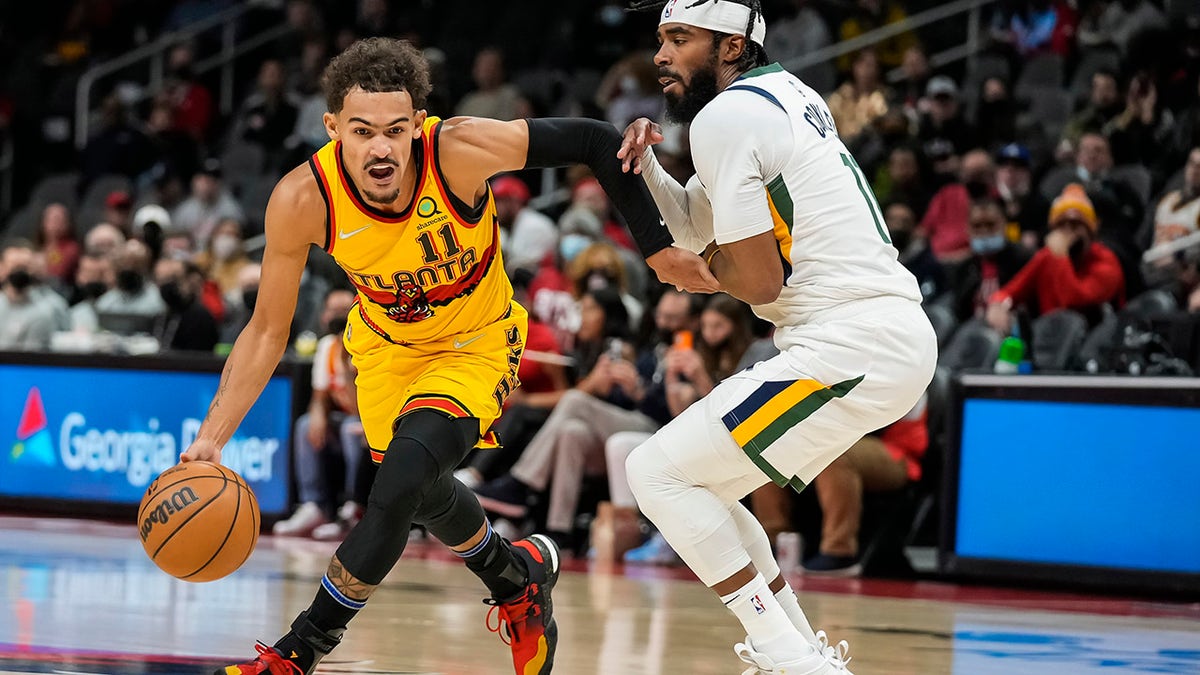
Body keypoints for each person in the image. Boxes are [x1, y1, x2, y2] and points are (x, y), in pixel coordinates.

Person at [180, 37, 715, 675]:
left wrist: (657, 251)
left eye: (395, 130)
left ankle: (298, 653)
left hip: (477, 340)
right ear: (332, 129)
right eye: (363, 131)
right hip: (385, 349)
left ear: (416, 125)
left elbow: (597, 141)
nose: (382, 148)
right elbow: (267, 330)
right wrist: (213, 439)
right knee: (423, 490)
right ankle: (517, 580)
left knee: (399, 482)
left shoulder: (456, 151)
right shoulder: (302, 198)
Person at [618, 2, 936, 673]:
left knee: (654, 472)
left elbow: (756, 282)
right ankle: (801, 651)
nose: (660, 56)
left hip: (852, 338)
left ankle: (784, 653)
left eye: (679, 39)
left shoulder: (726, 116)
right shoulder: (782, 96)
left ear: (732, 47)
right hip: (876, 335)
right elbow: (696, 226)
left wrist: (698, 279)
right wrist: (647, 170)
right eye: (660, 40)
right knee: (701, 485)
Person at [986, 183, 1126, 333]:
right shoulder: (1047, 256)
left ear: (1090, 231)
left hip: (1093, 341)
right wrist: (997, 305)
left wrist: (1061, 255)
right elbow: (1011, 291)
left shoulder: (1106, 261)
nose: (1067, 233)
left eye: (1075, 224)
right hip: (1051, 340)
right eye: (1061, 225)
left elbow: (1073, 302)